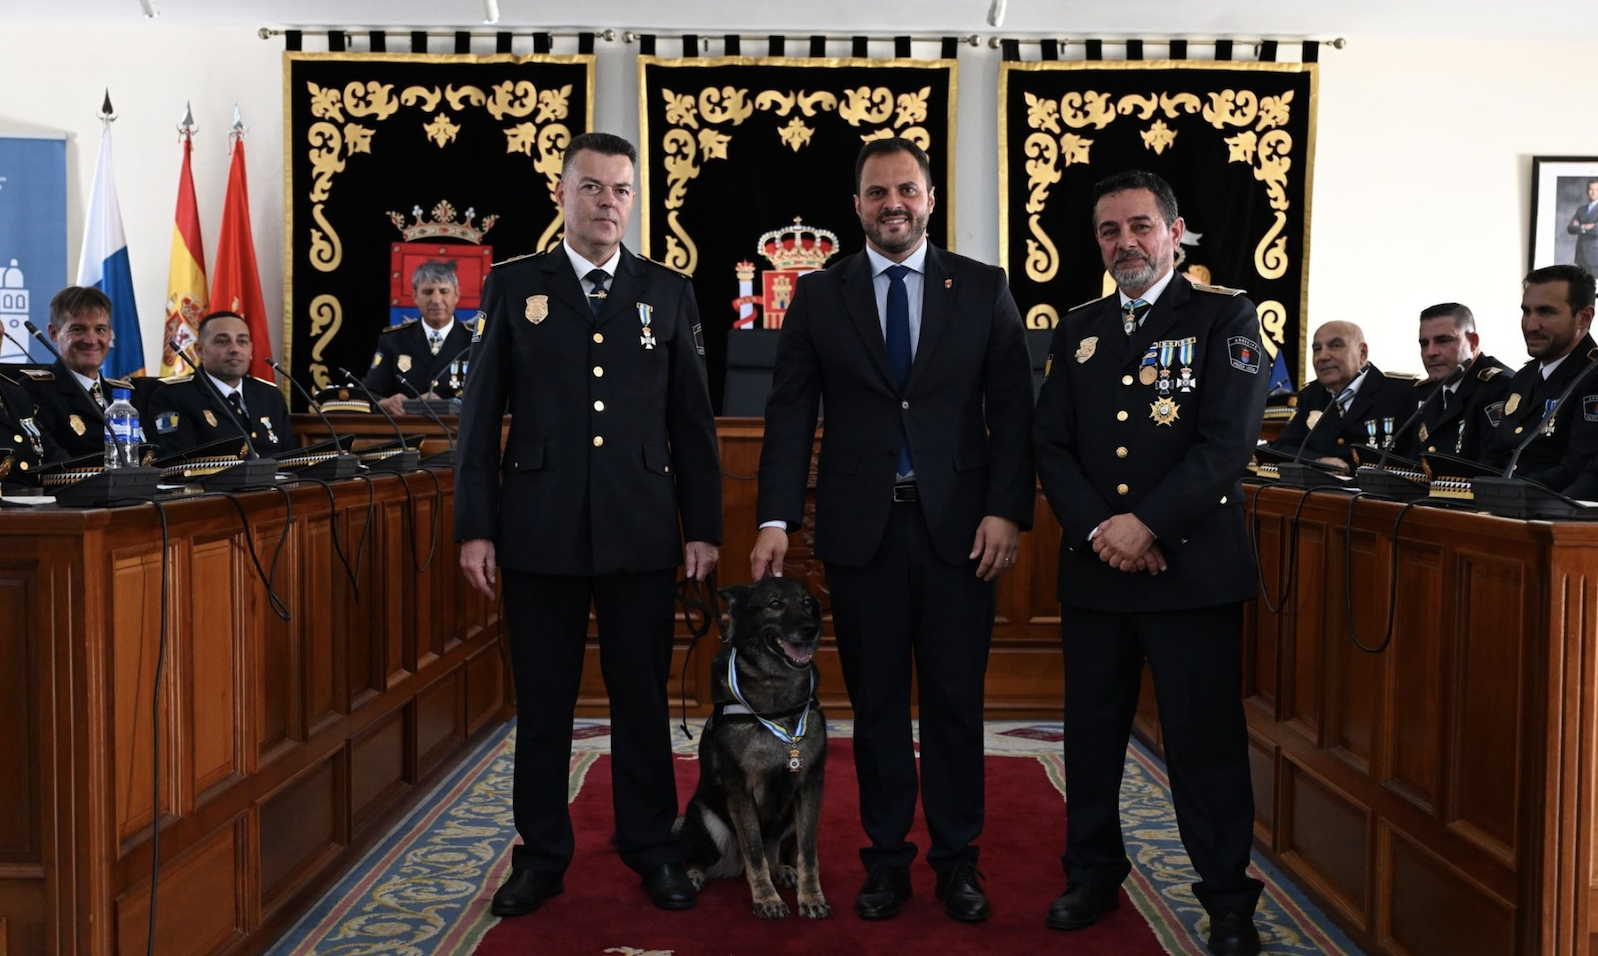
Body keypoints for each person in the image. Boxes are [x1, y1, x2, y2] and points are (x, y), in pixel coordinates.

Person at [752, 137, 1034, 924]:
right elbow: (788, 414)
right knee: (874, 706)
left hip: (961, 535)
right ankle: (884, 862)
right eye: (877, 193)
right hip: (860, 535)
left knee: (954, 704)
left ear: (931, 198)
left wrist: (1007, 508)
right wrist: (776, 516)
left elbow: (1014, 407)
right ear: (857, 207)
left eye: (906, 189)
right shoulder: (819, 295)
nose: (893, 204)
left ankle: (957, 862)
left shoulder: (981, 289)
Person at [454, 132, 722, 917]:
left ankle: (651, 848)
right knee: (544, 704)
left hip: (640, 530)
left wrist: (700, 527)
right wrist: (478, 527)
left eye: (622, 190)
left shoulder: (667, 291)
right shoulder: (513, 286)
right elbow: (479, 422)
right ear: (563, 196)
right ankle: (541, 856)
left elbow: (692, 425)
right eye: (594, 187)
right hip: (537, 531)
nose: (609, 202)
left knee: (640, 699)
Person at [1032, 170, 1269, 956]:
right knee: (1093, 735)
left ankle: (1228, 899)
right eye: (1109, 231)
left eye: (1140, 226)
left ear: (1174, 233)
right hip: (1098, 568)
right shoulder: (1080, 327)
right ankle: (1093, 875)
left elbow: (1227, 444)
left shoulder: (1223, 315)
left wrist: (1147, 524)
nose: (1124, 242)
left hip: (1192, 570)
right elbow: (1053, 445)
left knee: (1204, 744)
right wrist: (1105, 527)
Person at [1481, 264, 1598, 491]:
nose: (1531, 325)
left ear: (1584, 317)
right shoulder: (1525, 376)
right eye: (1526, 311)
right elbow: (1497, 455)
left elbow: (1578, 470)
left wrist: (1509, 495)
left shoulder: (1592, 376)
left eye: (1546, 312)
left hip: (1552, 514)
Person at [1268, 320, 1413, 473]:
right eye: (1317, 349)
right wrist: (1317, 461)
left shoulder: (1401, 393)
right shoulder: (1310, 395)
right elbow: (1281, 447)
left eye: (1335, 346)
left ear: (1362, 353)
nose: (1322, 356)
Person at [146, 311, 295, 457]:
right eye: (222, 341)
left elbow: (291, 461)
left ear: (251, 350)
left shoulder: (270, 395)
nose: (235, 349)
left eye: (242, 341)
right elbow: (177, 464)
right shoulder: (174, 396)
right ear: (200, 351)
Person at [23, 286, 136, 460]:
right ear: (53, 333)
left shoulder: (128, 395)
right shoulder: (33, 392)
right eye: (78, 329)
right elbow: (52, 462)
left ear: (110, 334)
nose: (91, 340)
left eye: (100, 329)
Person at [1397, 303, 1512, 459]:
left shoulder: (1497, 387)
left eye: (1443, 341)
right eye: (1424, 344)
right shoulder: (1426, 392)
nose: (1431, 352)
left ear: (1473, 342)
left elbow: (1492, 468)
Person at [362, 259, 475, 416]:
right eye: (428, 292)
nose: (436, 300)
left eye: (444, 291)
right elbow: (369, 394)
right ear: (415, 295)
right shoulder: (393, 340)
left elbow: (494, 393)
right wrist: (384, 404)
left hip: (462, 434)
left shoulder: (476, 341)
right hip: (408, 434)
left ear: (456, 294)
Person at [1567, 179, 1598, 271]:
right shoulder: (1581, 210)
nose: (1593, 192)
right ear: (1587, 191)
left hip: (1595, 256)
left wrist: (1579, 226)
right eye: (1591, 189)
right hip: (1580, 255)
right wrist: (1584, 227)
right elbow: (1570, 228)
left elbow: (1596, 231)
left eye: (1596, 189)